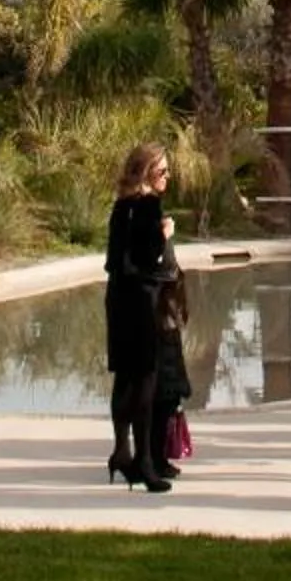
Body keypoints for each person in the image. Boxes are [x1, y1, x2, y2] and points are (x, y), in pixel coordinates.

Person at [103, 142, 177, 492]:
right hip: (142, 301)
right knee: (145, 380)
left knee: (125, 377)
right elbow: (149, 257)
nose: (167, 177)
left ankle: (122, 451)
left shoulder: (121, 205)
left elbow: (114, 259)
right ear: (147, 173)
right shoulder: (148, 205)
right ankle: (145, 461)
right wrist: (164, 234)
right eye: (162, 171)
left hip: (118, 296)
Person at [150, 271, 193, 478]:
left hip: (164, 384)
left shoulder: (165, 316)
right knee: (159, 422)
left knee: (158, 422)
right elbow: (172, 360)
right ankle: (157, 461)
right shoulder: (165, 320)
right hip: (164, 386)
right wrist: (180, 385)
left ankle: (156, 459)